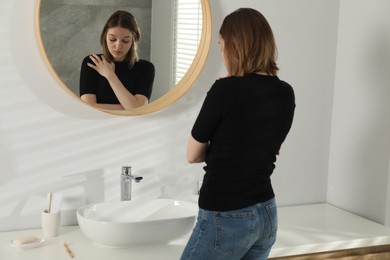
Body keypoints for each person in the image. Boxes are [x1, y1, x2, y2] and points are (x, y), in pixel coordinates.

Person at [181, 8, 295, 260]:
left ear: (234, 46)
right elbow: (265, 147)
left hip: (226, 213)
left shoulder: (225, 90)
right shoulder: (286, 92)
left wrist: (218, 143)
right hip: (266, 211)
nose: (221, 53)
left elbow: (192, 155)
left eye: (221, 45)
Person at [79, 10, 155, 110]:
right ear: (104, 37)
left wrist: (110, 75)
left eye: (125, 40)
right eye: (112, 39)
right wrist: (127, 107)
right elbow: (88, 108)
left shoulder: (146, 68)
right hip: (97, 123)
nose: (118, 46)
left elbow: (137, 109)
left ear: (134, 41)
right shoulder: (93, 62)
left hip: (132, 124)